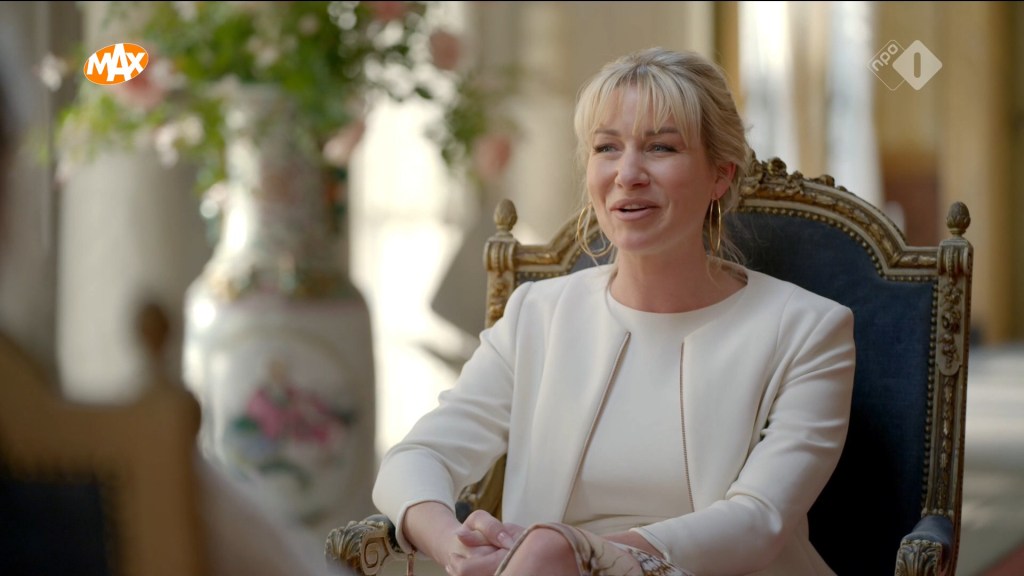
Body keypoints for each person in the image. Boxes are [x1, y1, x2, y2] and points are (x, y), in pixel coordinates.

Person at [371, 47, 856, 576]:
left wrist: (575, 552)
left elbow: (757, 521)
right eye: (607, 147)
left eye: (661, 147)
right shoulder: (537, 314)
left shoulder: (810, 330)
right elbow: (416, 458)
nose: (627, 173)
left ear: (720, 174)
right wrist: (455, 545)